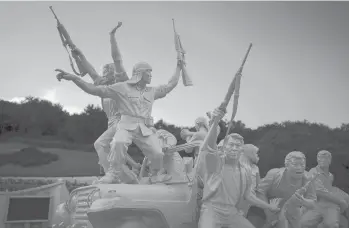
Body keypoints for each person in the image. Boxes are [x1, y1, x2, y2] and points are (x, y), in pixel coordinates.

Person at [55, 55, 185, 184]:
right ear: (139, 73)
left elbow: (170, 85)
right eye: (148, 72)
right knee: (118, 143)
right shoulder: (122, 87)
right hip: (125, 125)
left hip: (143, 128)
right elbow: (93, 89)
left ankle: (156, 174)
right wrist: (74, 78)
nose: (151, 75)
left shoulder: (152, 91)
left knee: (157, 153)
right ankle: (113, 174)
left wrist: (179, 67)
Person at [70, 25, 141, 180]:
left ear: (114, 74)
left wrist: (112, 38)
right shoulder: (103, 88)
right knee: (111, 150)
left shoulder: (122, 84)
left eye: (107, 72)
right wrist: (78, 54)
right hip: (112, 123)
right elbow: (90, 70)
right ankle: (130, 176)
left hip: (124, 121)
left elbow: (117, 59)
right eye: (103, 72)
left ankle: (113, 176)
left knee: (100, 144)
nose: (103, 74)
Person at [196, 106, 279, 228]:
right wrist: (215, 122)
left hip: (231, 213)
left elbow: (248, 196)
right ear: (224, 147)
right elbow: (209, 147)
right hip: (211, 211)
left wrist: (269, 207)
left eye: (238, 146)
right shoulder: (216, 162)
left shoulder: (245, 171)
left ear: (242, 149)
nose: (234, 148)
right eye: (231, 145)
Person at [256, 151, 317, 228]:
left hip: (291, 212)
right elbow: (260, 192)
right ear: (287, 165)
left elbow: (313, 203)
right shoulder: (274, 174)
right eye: (295, 164)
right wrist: (268, 210)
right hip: (266, 210)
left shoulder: (307, 178)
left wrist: (303, 201)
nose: (299, 168)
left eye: (302, 165)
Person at [301, 150, 349, 228]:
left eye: (325, 158)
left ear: (329, 160)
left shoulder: (330, 176)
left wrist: (341, 201)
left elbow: (328, 191)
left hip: (330, 206)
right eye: (320, 158)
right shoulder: (314, 172)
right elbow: (319, 192)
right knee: (303, 224)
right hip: (318, 205)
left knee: (332, 225)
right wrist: (340, 201)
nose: (322, 160)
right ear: (317, 159)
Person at [238, 144, 261, 223]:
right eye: (256, 153)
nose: (257, 156)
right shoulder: (238, 166)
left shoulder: (255, 168)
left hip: (250, 199)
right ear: (249, 154)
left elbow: (259, 185)